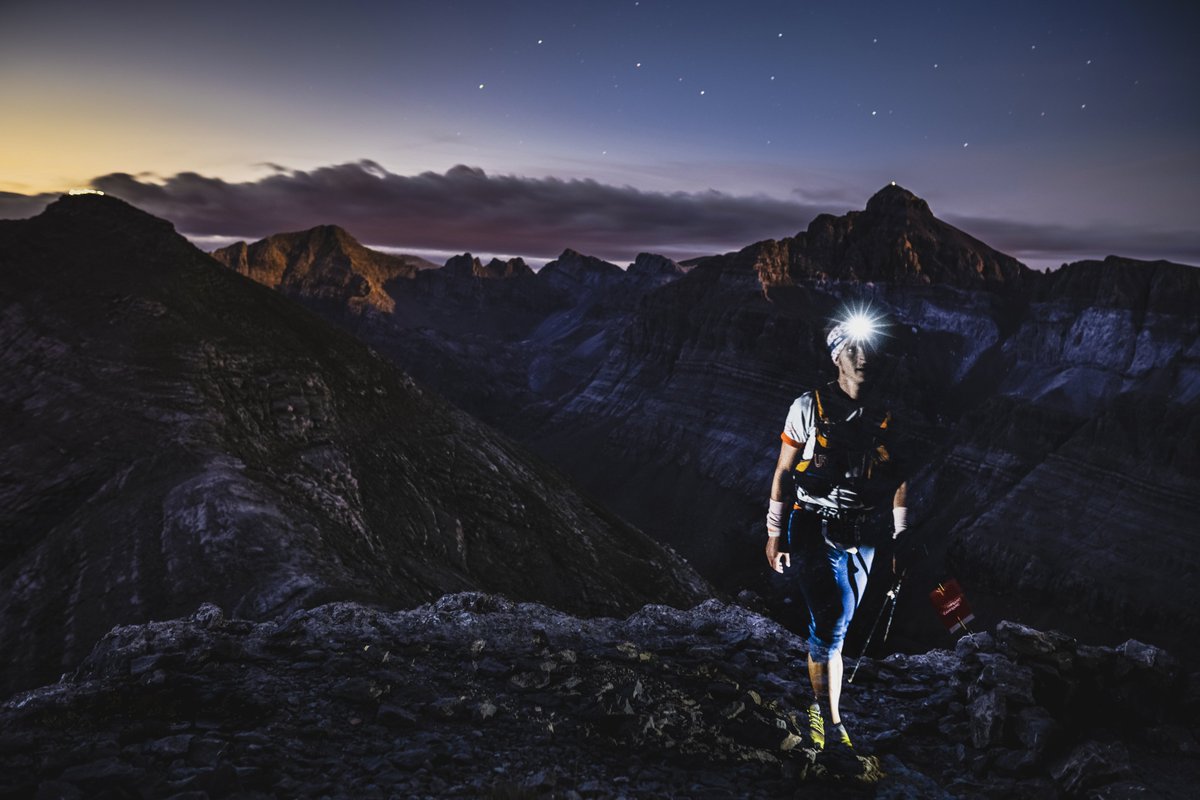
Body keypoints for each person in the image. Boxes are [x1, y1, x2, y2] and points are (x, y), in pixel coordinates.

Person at [764, 312, 908, 750]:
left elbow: (899, 480)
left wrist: (900, 536)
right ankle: (831, 725)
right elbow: (784, 471)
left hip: (863, 533)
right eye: (852, 349)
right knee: (830, 619)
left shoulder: (888, 415)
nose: (862, 357)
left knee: (840, 622)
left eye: (868, 348)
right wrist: (775, 532)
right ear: (835, 357)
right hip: (812, 523)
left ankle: (821, 703)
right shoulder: (807, 407)